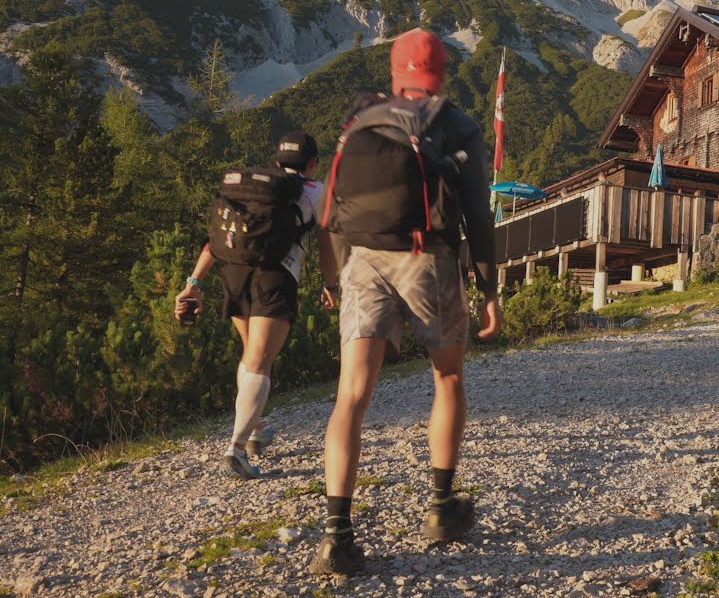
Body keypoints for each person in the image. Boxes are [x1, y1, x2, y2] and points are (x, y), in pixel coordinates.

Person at [309, 28, 502, 576]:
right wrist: (489, 288)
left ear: (395, 72)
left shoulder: (362, 119)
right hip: (428, 258)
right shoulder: (456, 124)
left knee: (351, 395)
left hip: (363, 260)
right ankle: (440, 508)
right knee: (448, 377)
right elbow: (478, 214)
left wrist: (340, 274)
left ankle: (336, 536)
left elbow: (333, 211)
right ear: (442, 73)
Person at [174, 131, 338, 480]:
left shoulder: (249, 188)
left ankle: (256, 429)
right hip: (274, 277)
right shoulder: (317, 191)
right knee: (260, 360)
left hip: (234, 273)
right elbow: (327, 246)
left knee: (251, 354)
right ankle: (235, 451)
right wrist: (330, 284)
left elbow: (218, 237)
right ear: (312, 163)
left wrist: (193, 283)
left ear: (277, 161)